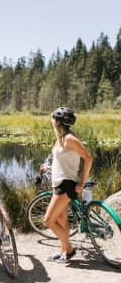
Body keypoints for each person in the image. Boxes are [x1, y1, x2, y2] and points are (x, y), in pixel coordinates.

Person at [44, 107, 92, 263]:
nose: (51, 121)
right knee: (61, 218)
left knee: (48, 221)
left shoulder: (70, 138)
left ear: (58, 122)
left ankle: (69, 249)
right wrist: (50, 168)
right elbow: (64, 160)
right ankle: (63, 251)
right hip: (58, 182)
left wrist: (82, 182)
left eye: (53, 119)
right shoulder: (61, 138)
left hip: (66, 185)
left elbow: (88, 158)